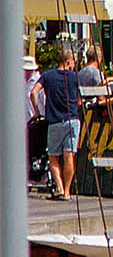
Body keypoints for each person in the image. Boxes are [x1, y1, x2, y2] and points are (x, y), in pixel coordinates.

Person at [32, 48, 81, 200]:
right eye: (73, 62)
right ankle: (67, 191)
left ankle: (59, 187)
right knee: (69, 155)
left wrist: (37, 111)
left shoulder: (47, 75)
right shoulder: (74, 77)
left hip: (54, 121)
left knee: (53, 157)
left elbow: (33, 92)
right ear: (68, 61)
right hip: (72, 119)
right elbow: (80, 98)